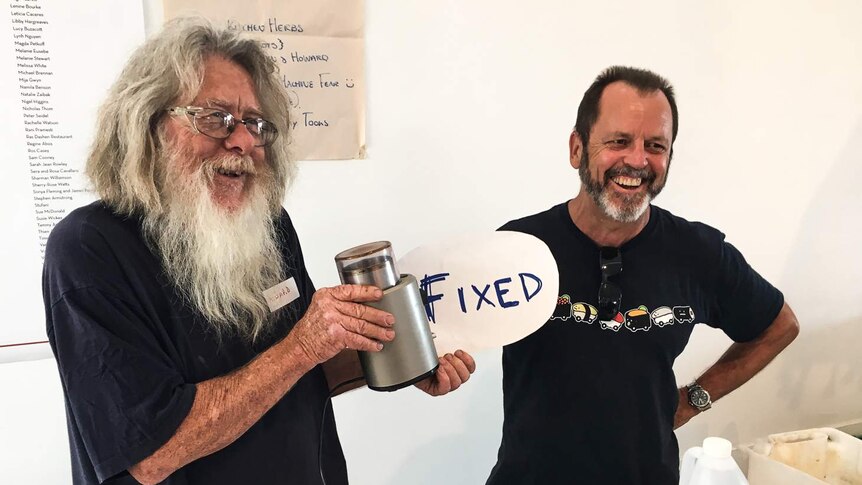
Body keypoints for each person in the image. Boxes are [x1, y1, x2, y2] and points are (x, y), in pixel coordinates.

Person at [43, 17, 475, 485]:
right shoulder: (89, 249)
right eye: (215, 118)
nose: (243, 140)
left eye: (255, 123)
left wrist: (403, 359)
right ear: (145, 123)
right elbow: (150, 453)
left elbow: (304, 376)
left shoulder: (267, 224)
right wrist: (304, 343)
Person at [486, 66, 799, 484]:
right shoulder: (517, 248)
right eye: (619, 141)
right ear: (577, 148)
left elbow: (779, 326)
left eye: (655, 145)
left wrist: (695, 398)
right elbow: (445, 333)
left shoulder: (698, 253)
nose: (637, 160)